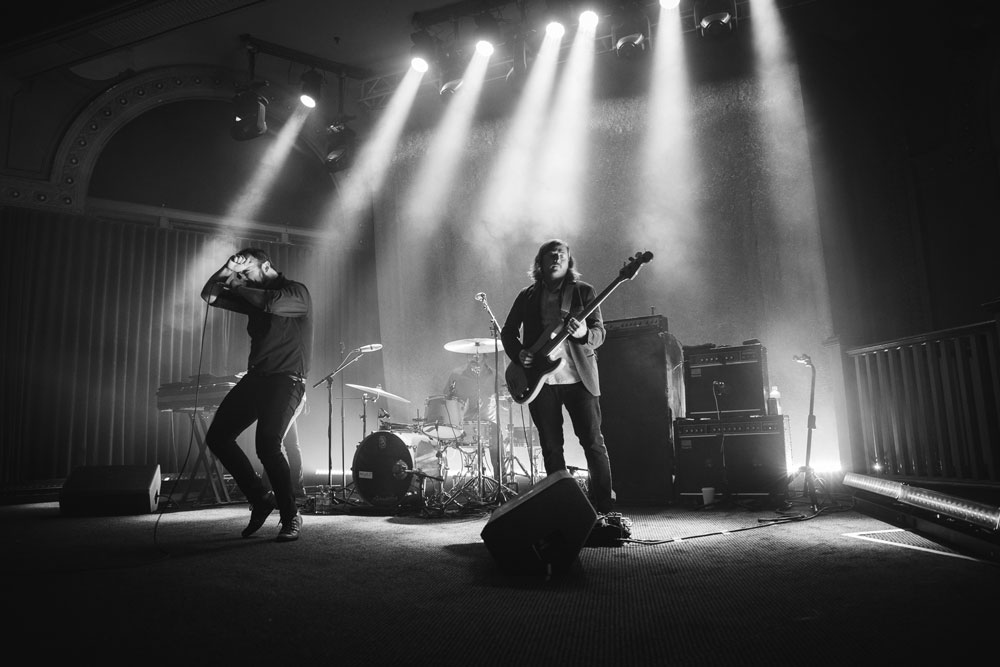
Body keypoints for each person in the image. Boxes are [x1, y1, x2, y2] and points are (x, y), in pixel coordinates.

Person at [200, 248, 311, 542]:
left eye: (247, 272)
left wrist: (236, 284)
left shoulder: (296, 292)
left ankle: (291, 516)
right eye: (241, 275)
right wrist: (226, 270)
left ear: (265, 266)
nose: (242, 278)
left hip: (287, 380)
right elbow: (208, 296)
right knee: (218, 437)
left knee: (267, 445)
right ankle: (261, 499)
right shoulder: (252, 294)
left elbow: (271, 303)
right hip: (256, 378)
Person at [500, 239, 614, 514]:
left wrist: (583, 334)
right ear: (540, 262)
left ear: (569, 260)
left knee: (594, 444)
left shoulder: (584, 292)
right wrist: (520, 354)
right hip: (541, 382)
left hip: (579, 380)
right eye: (551, 254)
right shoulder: (527, 296)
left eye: (562, 254)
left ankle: (605, 510)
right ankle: (564, 511)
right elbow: (508, 331)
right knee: (551, 448)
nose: (557, 258)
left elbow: (599, 334)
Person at [442, 353, 502, 478]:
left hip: (489, 422)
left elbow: (506, 400)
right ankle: (440, 482)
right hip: (464, 423)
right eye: (471, 354)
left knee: (497, 444)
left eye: (478, 354)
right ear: (467, 356)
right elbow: (446, 398)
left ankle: (501, 483)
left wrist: (505, 396)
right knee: (438, 437)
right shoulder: (456, 374)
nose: (474, 356)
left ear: (485, 356)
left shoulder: (495, 375)